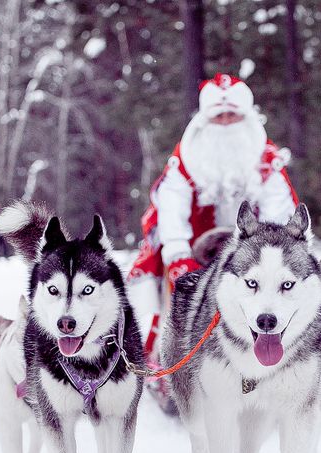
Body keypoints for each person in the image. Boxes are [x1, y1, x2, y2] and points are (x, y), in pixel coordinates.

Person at [128, 73, 299, 361]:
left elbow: (278, 210)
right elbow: (171, 205)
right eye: (218, 116)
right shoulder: (187, 156)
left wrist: (270, 254)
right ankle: (172, 357)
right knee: (178, 296)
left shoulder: (267, 159)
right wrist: (178, 256)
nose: (226, 123)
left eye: (233, 115)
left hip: (254, 251)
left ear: (246, 118)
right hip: (195, 245)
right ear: (205, 120)